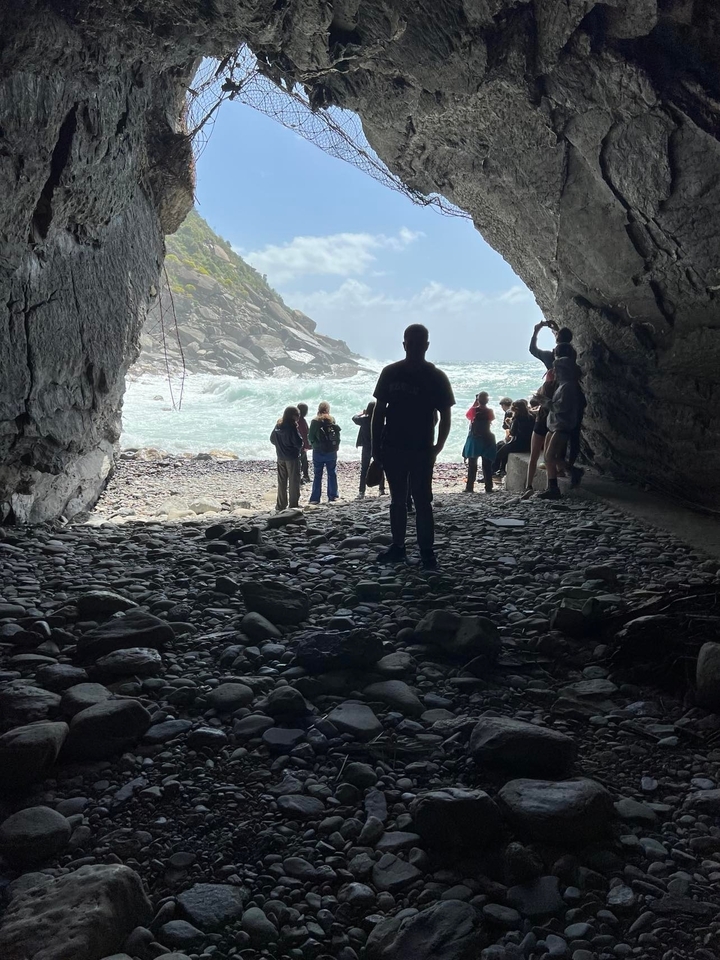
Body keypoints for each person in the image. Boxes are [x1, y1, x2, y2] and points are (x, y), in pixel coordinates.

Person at [370, 324, 454, 570]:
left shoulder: (434, 376)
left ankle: (422, 551)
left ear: (425, 346)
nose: (415, 348)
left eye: (418, 344)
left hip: (419, 449)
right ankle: (407, 548)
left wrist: (438, 446)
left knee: (419, 499)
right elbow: (378, 413)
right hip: (399, 447)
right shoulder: (392, 373)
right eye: (412, 343)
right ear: (405, 344)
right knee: (402, 499)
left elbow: (446, 415)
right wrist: (376, 449)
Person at [536, 356, 583, 499]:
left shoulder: (568, 387)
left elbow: (561, 407)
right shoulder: (564, 385)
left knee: (550, 457)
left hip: (562, 426)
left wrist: (544, 401)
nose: (554, 372)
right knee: (547, 458)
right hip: (555, 425)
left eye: (556, 369)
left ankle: (573, 471)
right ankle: (552, 487)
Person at [462, 391, 497, 494]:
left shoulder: (473, 410)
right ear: (487, 400)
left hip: (475, 439)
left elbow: (468, 416)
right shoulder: (490, 411)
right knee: (487, 465)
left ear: (478, 400)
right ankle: (488, 487)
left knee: (472, 465)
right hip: (487, 439)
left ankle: (470, 487)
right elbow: (491, 419)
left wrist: (475, 403)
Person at [270, 406, 303, 511]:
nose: (299, 417)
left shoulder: (278, 426)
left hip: (280, 457)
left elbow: (272, 439)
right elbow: (298, 443)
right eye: (297, 415)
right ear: (292, 416)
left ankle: (281, 504)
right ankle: (293, 504)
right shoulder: (292, 427)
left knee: (282, 482)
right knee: (294, 481)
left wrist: (280, 445)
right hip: (292, 457)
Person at [308, 401, 341, 504]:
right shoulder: (332, 419)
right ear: (328, 410)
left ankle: (315, 498)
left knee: (318, 474)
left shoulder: (315, 421)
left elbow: (310, 437)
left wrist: (314, 445)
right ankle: (333, 496)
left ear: (318, 410)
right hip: (331, 451)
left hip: (318, 451)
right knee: (332, 473)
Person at [353, 402, 385, 499]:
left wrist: (362, 413)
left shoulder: (364, 420)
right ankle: (381, 490)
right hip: (378, 447)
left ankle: (361, 492)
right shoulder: (380, 420)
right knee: (380, 467)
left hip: (367, 447)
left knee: (364, 469)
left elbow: (354, 418)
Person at [493, 399, 535, 475]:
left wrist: (509, 424)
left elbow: (512, 433)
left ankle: (492, 471)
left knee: (499, 453)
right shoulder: (531, 417)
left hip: (518, 444)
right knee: (501, 445)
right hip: (529, 443)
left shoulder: (517, 419)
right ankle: (501, 469)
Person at [296, 403, 311, 483]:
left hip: (296, 444)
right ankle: (305, 476)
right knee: (303, 460)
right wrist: (307, 445)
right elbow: (305, 434)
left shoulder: (296, 419)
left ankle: (303, 476)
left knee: (300, 460)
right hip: (302, 444)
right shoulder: (302, 421)